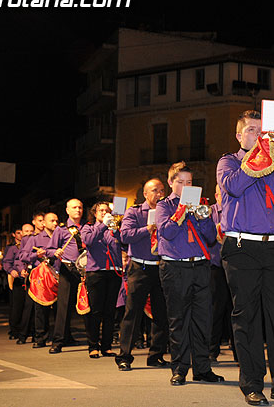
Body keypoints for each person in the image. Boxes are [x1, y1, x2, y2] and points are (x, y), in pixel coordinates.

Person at [217, 110, 274, 405]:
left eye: (262, 131)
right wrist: (258, 157)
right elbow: (233, 185)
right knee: (248, 319)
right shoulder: (228, 161)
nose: (259, 135)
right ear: (239, 135)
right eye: (252, 130)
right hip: (242, 248)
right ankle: (252, 384)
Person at [156, 161, 224, 386]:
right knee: (179, 320)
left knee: (202, 320)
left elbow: (211, 238)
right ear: (171, 183)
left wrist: (204, 218)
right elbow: (166, 232)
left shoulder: (201, 205)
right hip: (175, 268)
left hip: (200, 267)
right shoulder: (164, 206)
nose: (186, 186)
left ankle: (203, 369)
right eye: (181, 182)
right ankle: (179, 369)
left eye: (190, 182)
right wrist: (181, 212)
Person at [116, 178, 170, 371]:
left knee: (161, 313)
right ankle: (124, 356)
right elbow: (125, 235)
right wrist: (147, 229)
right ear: (145, 194)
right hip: (140, 267)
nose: (159, 194)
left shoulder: (168, 211)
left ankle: (156, 355)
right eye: (155, 190)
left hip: (161, 266)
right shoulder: (135, 212)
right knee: (133, 313)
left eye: (162, 190)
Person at [80, 202, 123, 359]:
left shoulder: (112, 229)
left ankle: (107, 346)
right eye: (101, 210)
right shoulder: (88, 228)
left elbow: (123, 244)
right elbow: (89, 241)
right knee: (95, 311)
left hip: (113, 272)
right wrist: (103, 226)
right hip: (96, 273)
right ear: (95, 213)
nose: (104, 213)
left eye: (107, 210)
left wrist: (116, 231)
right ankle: (93, 346)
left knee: (110, 312)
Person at [46, 198, 86, 354]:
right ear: (67, 210)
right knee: (63, 307)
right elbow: (50, 249)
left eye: (80, 207)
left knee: (86, 306)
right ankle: (58, 341)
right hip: (67, 270)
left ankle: (92, 341)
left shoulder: (87, 227)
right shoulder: (61, 230)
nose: (78, 210)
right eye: (74, 207)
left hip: (84, 270)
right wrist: (55, 252)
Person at [19, 212, 59, 348]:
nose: (55, 224)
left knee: (61, 309)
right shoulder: (35, 239)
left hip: (58, 276)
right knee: (41, 308)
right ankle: (40, 337)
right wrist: (36, 255)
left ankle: (61, 337)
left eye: (57, 221)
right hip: (41, 277)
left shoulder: (61, 236)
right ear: (43, 223)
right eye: (52, 221)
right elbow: (23, 255)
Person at [209, 184, 235, 363]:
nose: (223, 196)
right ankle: (211, 350)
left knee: (236, 310)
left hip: (235, 266)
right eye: (220, 194)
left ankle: (239, 352)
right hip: (215, 266)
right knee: (215, 310)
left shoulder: (236, 207)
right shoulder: (209, 211)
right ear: (216, 194)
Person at [2, 226, 25, 340]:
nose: (21, 235)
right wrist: (11, 271)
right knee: (16, 306)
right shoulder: (11, 248)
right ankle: (14, 330)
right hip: (16, 279)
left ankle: (26, 329)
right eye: (18, 233)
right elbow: (6, 262)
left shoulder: (29, 245)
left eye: (23, 232)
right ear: (14, 235)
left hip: (28, 278)